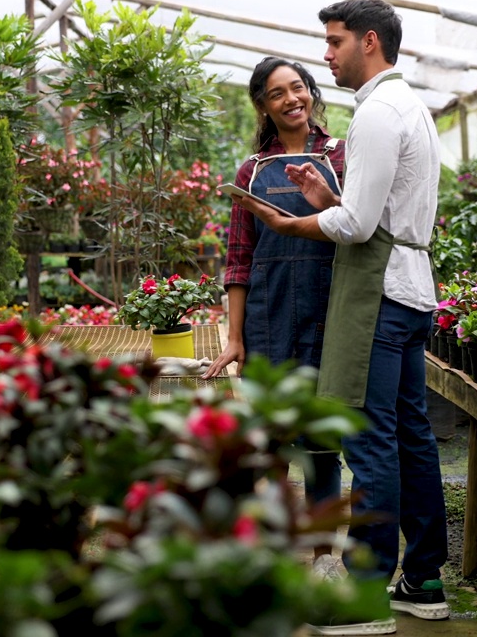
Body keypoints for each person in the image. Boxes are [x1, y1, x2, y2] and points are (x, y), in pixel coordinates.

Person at [229, 0, 448, 635]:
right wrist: (328, 197)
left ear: (369, 42)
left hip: (377, 293)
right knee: (411, 436)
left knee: (369, 440)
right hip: (411, 288)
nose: (326, 57)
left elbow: (355, 227)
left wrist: (291, 219)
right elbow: (370, 209)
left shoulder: (375, 114)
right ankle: (423, 578)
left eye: (334, 43)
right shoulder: (412, 106)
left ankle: (366, 595)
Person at [202, 57, 347, 572]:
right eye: (278, 93)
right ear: (262, 105)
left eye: (299, 88)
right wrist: (234, 337)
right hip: (266, 316)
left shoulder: (339, 158)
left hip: (327, 313)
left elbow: (355, 234)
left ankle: (326, 556)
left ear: (311, 93)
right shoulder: (252, 171)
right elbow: (238, 260)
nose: (292, 99)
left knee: (322, 441)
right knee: (273, 442)